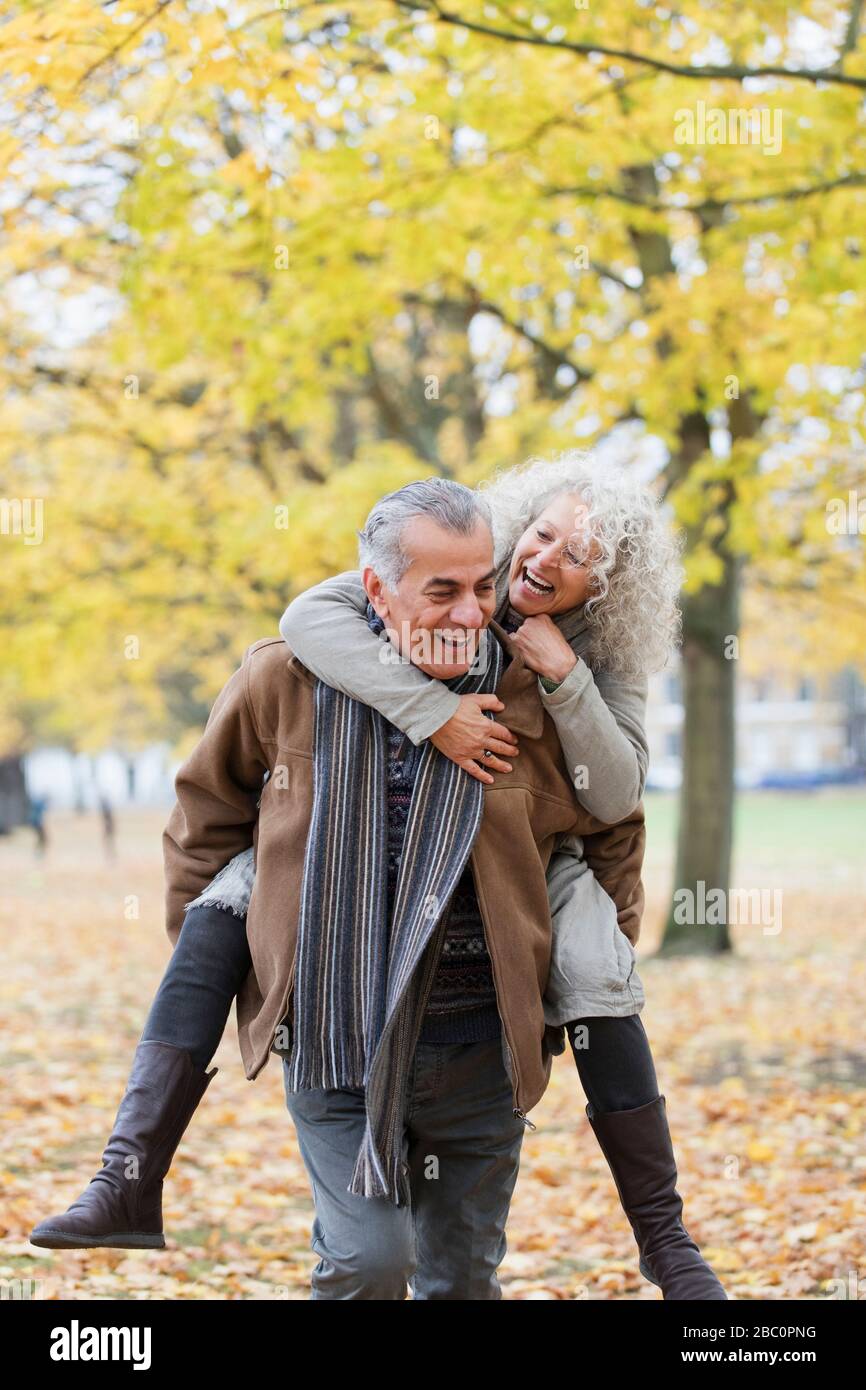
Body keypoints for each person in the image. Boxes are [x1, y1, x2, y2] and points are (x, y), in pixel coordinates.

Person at [30, 477, 644, 1302]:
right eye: (444, 591)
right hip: (333, 1040)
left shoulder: (542, 695)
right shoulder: (289, 677)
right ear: (377, 591)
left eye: (481, 589)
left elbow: (611, 828)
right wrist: (251, 960)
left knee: (460, 1280)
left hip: (480, 1055)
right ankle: (127, 1175)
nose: (471, 613)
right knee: (366, 1263)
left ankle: (666, 1240)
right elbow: (207, 815)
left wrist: (564, 985)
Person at [268, 449, 726, 1300]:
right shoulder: (454, 579)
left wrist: (565, 675)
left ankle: (662, 1235)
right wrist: (432, 711)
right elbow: (308, 618)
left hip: (539, 857)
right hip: (402, 881)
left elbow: (617, 793)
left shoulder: (601, 656)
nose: (546, 560)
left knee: (596, 970)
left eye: (578, 557)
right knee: (373, 1257)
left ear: (606, 589)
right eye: (544, 534)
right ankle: (135, 1160)